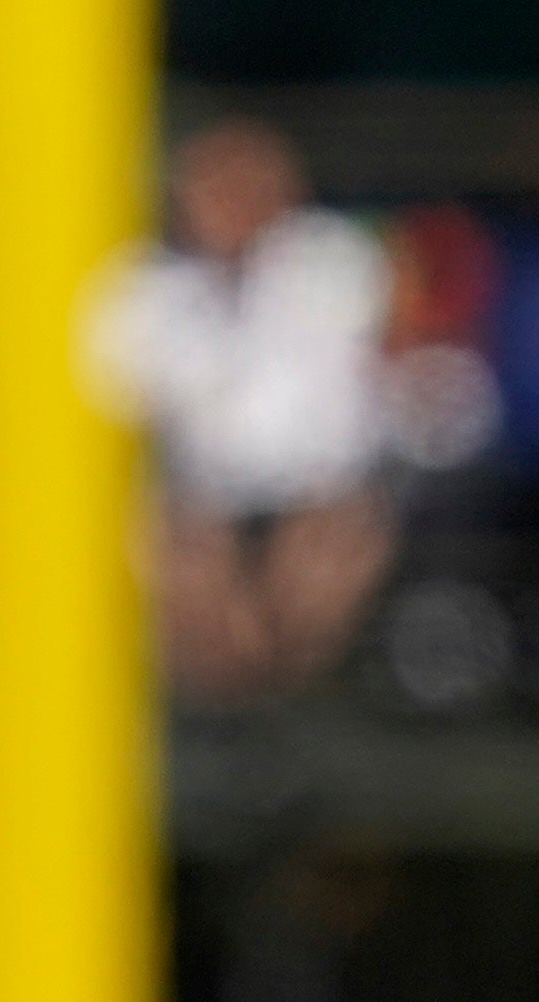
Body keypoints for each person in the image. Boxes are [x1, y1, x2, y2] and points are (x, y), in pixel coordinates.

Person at [81, 112, 404, 703]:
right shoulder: (144, 290)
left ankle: (291, 692)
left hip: (324, 498)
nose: (221, 208)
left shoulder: (340, 265)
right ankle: (233, 706)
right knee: (167, 551)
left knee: (330, 547)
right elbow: (123, 420)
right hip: (199, 513)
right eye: (209, 190)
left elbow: (372, 398)